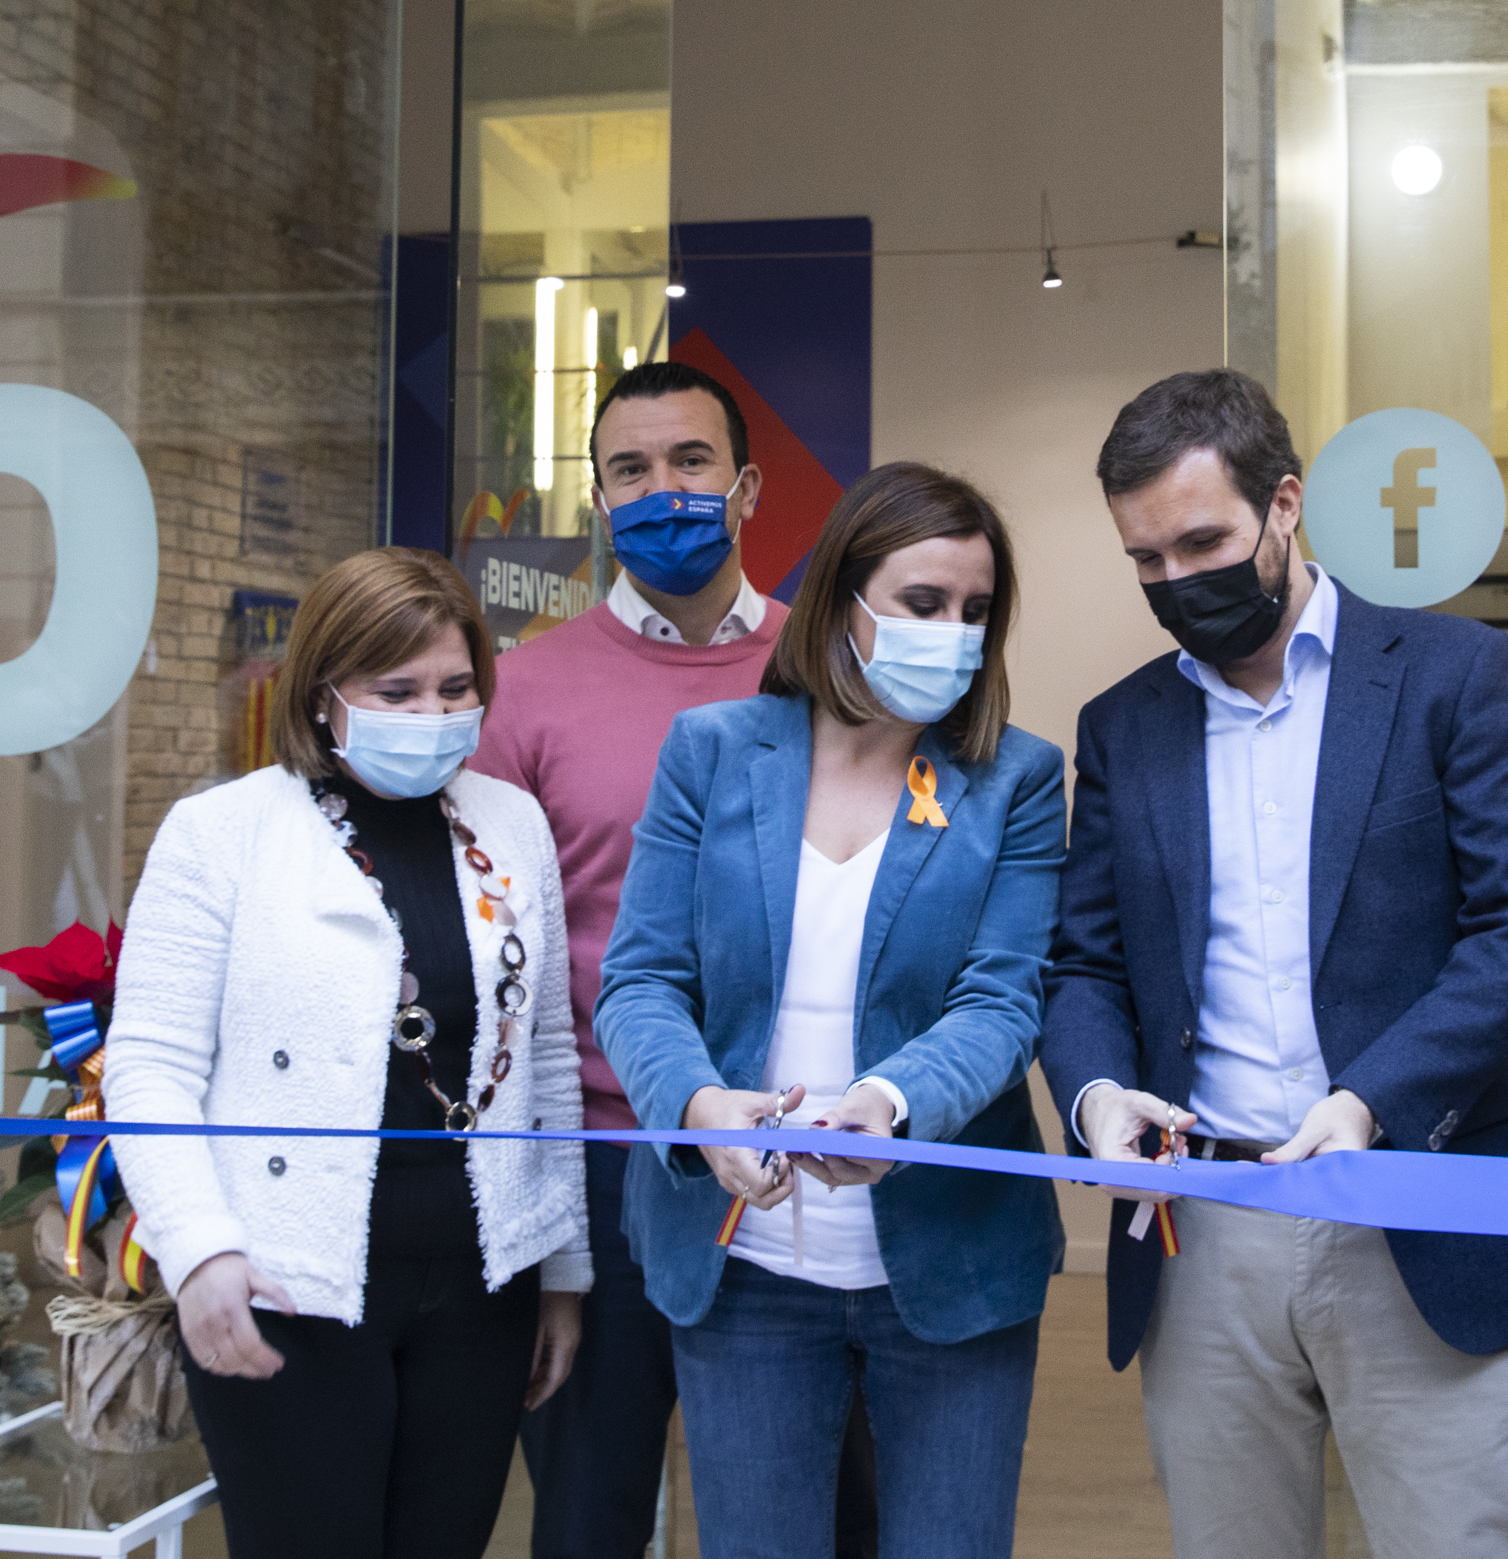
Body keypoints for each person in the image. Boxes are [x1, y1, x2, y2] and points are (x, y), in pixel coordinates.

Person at [1040, 369, 1508, 1559]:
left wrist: (1368, 1100)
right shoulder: (1123, 726)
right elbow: (1084, 965)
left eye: (1204, 541)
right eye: (1146, 560)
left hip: (1416, 1208)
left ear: (1284, 505)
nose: (1178, 582)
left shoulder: (1453, 675)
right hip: (1203, 1233)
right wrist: (1092, 1097)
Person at [592, 462, 1068, 1559]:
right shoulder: (710, 753)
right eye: (921, 602)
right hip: (744, 1265)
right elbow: (642, 979)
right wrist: (700, 1104)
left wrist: (894, 1100)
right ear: (842, 601)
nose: (953, 631)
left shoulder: (1014, 778)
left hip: (949, 1267)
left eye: (975, 610)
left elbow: (1002, 998)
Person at [102, 547, 589, 1559]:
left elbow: (544, 1057)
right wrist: (198, 1251)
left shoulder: (512, 823)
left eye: (456, 688)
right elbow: (147, 1062)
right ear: (323, 696)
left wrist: (563, 1266)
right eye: (395, 689)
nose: (432, 713)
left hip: (481, 1284)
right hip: (289, 1285)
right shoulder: (220, 832)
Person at [472, 359, 879, 1558]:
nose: (664, 490)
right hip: (604, 1162)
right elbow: (510, 958)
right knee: (589, 1512)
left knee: (818, 1508)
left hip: (799, 1153)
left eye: (690, 463)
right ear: (599, 499)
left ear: (748, 486)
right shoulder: (523, 693)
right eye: (631, 470)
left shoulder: (835, 674)